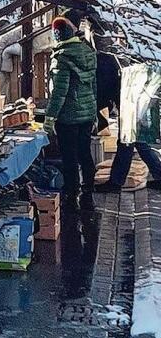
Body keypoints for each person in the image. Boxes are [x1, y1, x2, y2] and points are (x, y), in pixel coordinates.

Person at [43, 15, 98, 209]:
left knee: (69, 155)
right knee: (84, 152)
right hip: (87, 112)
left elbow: (59, 92)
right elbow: (93, 85)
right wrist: (95, 112)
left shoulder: (62, 58)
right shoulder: (88, 51)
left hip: (68, 116)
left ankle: (72, 191)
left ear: (58, 35)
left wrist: (50, 117)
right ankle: (88, 187)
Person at [97, 62, 161, 193]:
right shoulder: (111, 62)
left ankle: (115, 183)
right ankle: (159, 176)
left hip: (132, 102)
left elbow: (106, 94)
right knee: (138, 142)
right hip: (138, 99)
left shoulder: (103, 66)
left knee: (127, 143)